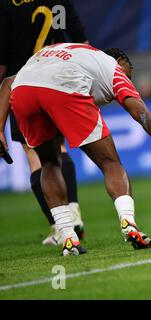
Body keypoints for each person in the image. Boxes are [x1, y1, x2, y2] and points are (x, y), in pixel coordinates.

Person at [1, 43, 151, 256]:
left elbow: (9, 81)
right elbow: (145, 117)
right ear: (119, 62)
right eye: (128, 76)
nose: (128, 83)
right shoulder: (113, 69)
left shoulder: (72, 53)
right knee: (110, 163)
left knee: (48, 162)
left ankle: (68, 237)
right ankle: (129, 224)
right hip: (64, 85)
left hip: (23, 91)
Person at [0, 0, 89, 245]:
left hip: (24, 84)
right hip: (60, 79)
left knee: (35, 154)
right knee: (59, 147)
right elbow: (81, 41)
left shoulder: (8, 4)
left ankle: (60, 227)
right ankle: (73, 211)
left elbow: (4, 60)